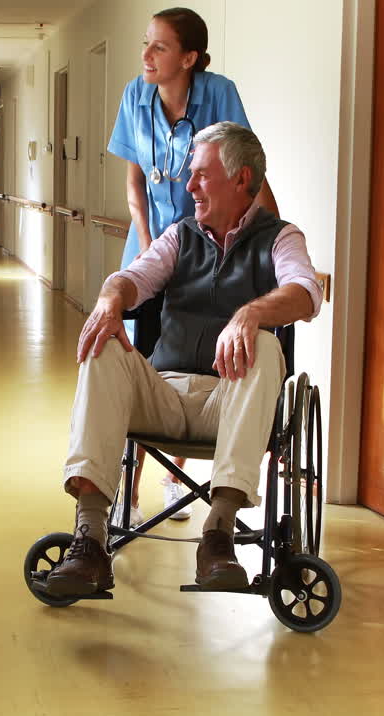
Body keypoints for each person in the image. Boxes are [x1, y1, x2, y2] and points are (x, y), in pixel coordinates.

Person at [43, 122, 322, 597]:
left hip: (230, 401)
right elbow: (132, 277)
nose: (188, 186)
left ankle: (218, 534)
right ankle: (90, 538)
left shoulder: (280, 237)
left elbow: (305, 291)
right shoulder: (180, 236)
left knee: (268, 345)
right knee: (105, 340)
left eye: (201, 175)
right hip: (163, 394)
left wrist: (251, 314)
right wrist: (112, 302)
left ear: (241, 179)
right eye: (189, 175)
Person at [106, 7, 280, 527]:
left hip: (215, 249)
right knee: (141, 361)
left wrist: (270, 239)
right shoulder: (135, 97)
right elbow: (136, 184)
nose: (146, 56)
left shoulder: (218, 93)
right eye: (146, 44)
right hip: (156, 247)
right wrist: (145, 247)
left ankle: (176, 475)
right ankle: (126, 493)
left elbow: (247, 171)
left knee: (199, 353)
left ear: (190, 57)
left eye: (158, 48)